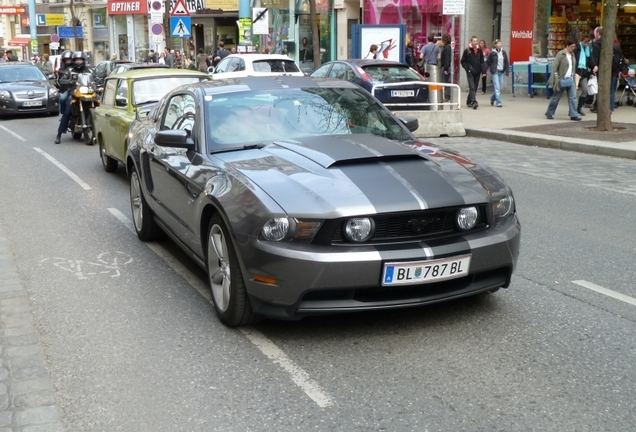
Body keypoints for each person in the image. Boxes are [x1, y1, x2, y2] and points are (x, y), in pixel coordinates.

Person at [55, 51, 90, 144]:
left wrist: (100, 83)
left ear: (83, 60)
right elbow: (62, 80)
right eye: (77, 60)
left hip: (87, 92)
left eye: (80, 60)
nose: (78, 62)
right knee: (67, 112)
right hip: (73, 93)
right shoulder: (69, 70)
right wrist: (68, 82)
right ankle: (59, 135)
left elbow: (96, 78)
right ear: (74, 61)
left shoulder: (89, 70)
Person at [545, 36, 581, 121]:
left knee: (573, 97)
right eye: (572, 46)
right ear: (567, 46)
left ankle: (573, 115)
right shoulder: (561, 54)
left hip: (570, 79)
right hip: (562, 79)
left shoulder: (573, 55)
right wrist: (555, 79)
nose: (573, 48)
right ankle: (549, 112)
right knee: (556, 98)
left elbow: (573, 67)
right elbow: (555, 67)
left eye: (574, 46)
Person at [460, 36, 484, 109]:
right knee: (472, 87)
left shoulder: (479, 50)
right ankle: (474, 102)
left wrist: (483, 71)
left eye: (476, 41)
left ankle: (468, 101)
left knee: (475, 87)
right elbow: (463, 61)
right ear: (471, 42)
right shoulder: (467, 50)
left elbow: (482, 61)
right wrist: (468, 69)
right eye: (474, 41)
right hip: (470, 71)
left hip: (478, 71)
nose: (475, 42)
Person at [486, 39, 509, 108]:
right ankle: (499, 102)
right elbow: (487, 62)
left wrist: (507, 71)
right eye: (498, 43)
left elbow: (506, 62)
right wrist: (484, 71)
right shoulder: (492, 53)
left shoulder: (503, 52)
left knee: (500, 87)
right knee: (497, 87)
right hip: (495, 72)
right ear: (495, 45)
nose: (500, 44)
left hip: (501, 71)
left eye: (500, 43)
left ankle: (492, 98)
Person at [573, 33, 592, 116]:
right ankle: (573, 109)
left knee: (585, 90)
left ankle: (579, 107)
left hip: (584, 73)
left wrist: (592, 70)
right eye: (585, 42)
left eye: (587, 42)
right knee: (574, 92)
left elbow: (590, 60)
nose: (586, 44)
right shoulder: (577, 48)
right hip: (576, 72)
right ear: (581, 41)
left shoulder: (587, 50)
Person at [440, 33, 452, 102]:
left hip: (445, 67)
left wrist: (446, 69)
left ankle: (447, 96)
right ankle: (447, 96)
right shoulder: (448, 47)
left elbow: (447, 59)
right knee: (446, 82)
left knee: (445, 82)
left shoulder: (447, 48)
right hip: (446, 67)